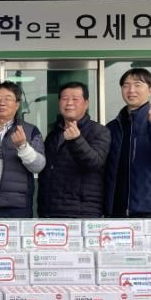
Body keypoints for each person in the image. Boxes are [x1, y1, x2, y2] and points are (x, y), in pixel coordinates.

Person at [106, 68, 151, 218]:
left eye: (137, 84)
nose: (131, 90)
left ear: (150, 90)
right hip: (117, 210)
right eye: (126, 85)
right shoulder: (113, 127)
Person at [38, 82, 111, 218]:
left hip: (82, 210)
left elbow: (94, 163)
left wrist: (76, 140)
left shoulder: (99, 131)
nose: (69, 103)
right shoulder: (53, 134)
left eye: (75, 99)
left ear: (86, 103)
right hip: (50, 211)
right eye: (65, 99)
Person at [0, 81, 44, 218]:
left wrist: (23, 147)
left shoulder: (30, 130)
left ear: (17, 104)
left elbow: (38, 166)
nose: (1, 103)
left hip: (18, 205)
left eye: (7, 99)